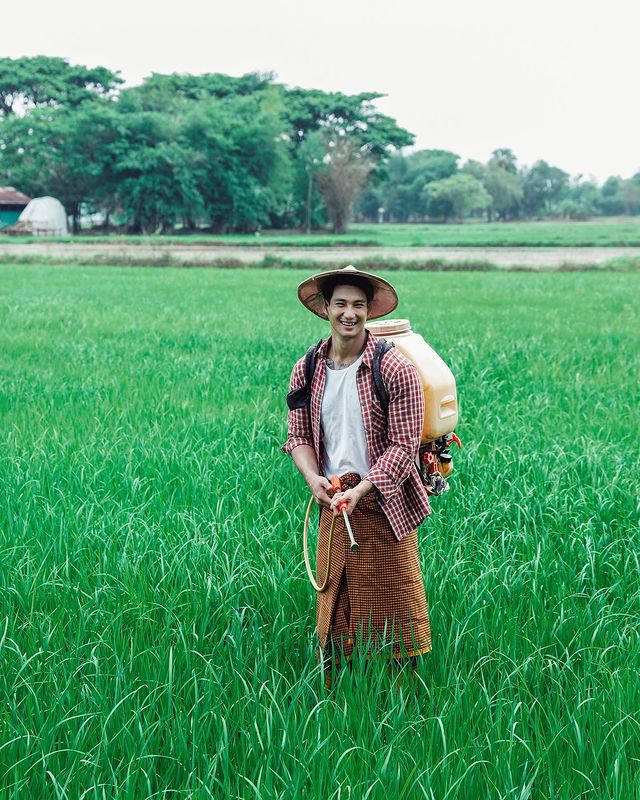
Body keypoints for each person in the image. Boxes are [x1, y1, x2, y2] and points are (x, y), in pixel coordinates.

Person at [282, 265, 433, 683]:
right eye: (341, 304)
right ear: (326, 308)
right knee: (335, 606)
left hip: (385, 503)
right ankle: (336, 690)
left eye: (359, 305)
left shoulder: (396, 370)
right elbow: (297, 436)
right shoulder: (307, 368)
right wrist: (314, 480)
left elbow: (404, 446)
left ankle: (401, 694)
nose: (349, 313)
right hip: (333, 498)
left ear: (370, 311)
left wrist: (364, 488)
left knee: (395, 606)